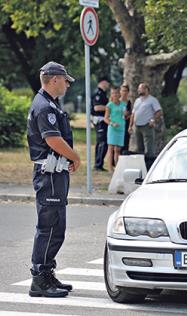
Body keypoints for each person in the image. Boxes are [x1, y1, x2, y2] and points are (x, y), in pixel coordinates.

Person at [27, 61, 81, 297]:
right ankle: (39, 279)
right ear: (54, 79)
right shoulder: (44, 107)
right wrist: (75, 157)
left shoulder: (50, 104)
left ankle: (47, 274)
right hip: (48, 175)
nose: (68, 84)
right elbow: (52, 140)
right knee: (49, 227)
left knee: (56, 226)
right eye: (65, 80)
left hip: (54, 174)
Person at [128, 83, 165, 169]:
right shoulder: (137, 100)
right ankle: (141, 167)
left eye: (140, 89)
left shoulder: (152, 100)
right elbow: (133, 114)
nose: (139, 90)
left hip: (147, 126)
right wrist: (130, 126)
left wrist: (153, 120)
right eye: (138, 89)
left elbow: (159, 112)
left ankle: (149, 166)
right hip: (137, 126)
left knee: (149, 148)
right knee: (139, 147)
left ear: (146, 89)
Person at [104, 87, 127, 171]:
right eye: (113, 93)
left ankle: (117, 166)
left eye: (116, 93)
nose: (115, 95)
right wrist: (112, 123)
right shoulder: (109, 105)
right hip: (112, 128)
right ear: (111, 95)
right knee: (111, 148)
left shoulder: (123, 104)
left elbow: (126, 116)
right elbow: (105, 118)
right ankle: (110, 167)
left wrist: (126, 115)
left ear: (119, 94)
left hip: (121, 128)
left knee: (118, 149)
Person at [91, 77, 110, 171]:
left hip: (103, 120)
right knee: (102, 142)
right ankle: (98, 165)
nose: (108, 85)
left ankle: (99, 164)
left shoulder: (103, 93)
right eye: (107, 82)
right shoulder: (98, 93)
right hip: (100, 120)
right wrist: (109, 107)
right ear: (103, 82)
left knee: (103, 142)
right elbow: (97, 107)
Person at [120, 84, 132, 154]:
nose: (124, 92)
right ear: (120, 91)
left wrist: (128, 115)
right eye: (123, 91)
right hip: (118, 124)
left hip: (126, 124)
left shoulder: (129, 102)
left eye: (126, 91)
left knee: (125, 142)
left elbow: (131, 114)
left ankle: (124, 156)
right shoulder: (117, 102)